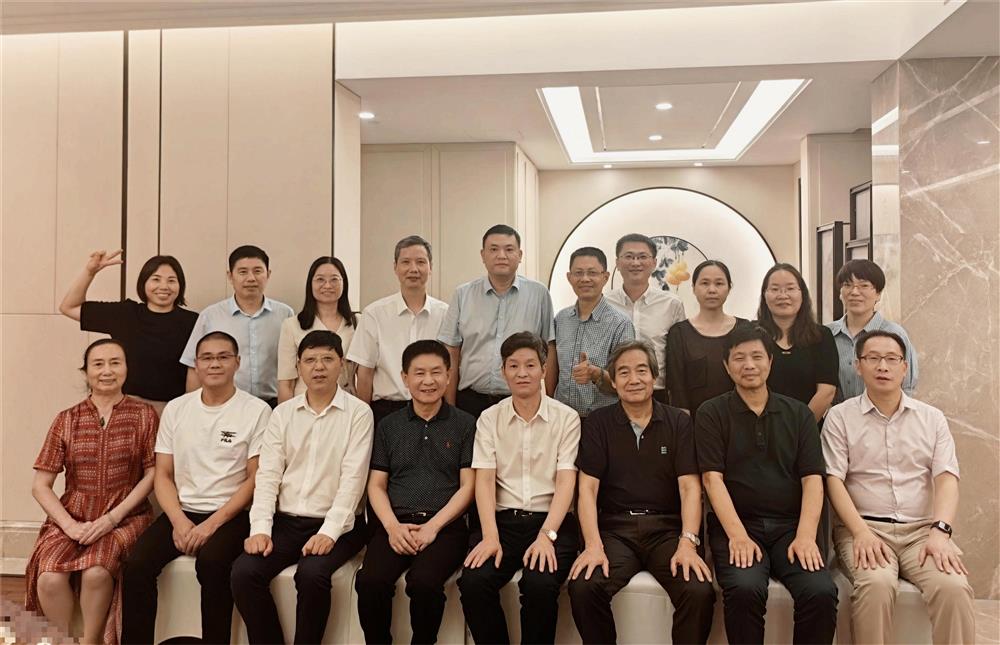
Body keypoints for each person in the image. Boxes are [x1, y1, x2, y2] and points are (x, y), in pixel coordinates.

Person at [823, 330, 974, 644]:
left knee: (954, 587)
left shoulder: (932, 418)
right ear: (857, 366)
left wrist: (940, 531)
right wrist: (860, 532)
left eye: (892, 359)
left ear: (905, 368)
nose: (883, 366)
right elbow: (833, 480)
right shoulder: (839, 417)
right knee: (875, 585)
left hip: (921, 532)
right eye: (873, 358)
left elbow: (947, 478)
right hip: (864, 529)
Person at [122, 332, 270, 645]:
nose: (215, 364)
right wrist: (179, 521)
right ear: (196, 364)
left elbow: (254, 479)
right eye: (207, 358)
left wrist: (210, 526)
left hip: (231, 515)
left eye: (223, 357)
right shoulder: (177, 408)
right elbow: (163, 474)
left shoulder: (256, 410)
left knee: (213, 563)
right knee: (136, 566)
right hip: (183, 511)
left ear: (237, 363)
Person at [697, 325, 838, 644]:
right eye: (739, 358)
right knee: (744, 589)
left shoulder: (799, 414)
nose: (749, 365)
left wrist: (806, 536)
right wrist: (738, 536)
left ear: (770, 362)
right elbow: (711, 480)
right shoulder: (711, 413)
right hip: (738, 526)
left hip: (791, 527)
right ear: (726, 366)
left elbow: (813, 480)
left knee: (820, 592)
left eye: (757, 357)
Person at [568, 341, 715, 644]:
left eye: (641, 371)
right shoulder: (598, 423)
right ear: (612, 381)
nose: (633, 379)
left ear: (654, 377)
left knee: (698, 590)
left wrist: (688, 542)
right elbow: (587, 489)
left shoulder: (679, 421)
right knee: (584, 586)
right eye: (623, 372)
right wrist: (592, 544)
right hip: (616, 531)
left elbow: (690, 488)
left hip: (667, 531)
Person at [232, 330, 373, 644]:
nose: (318, 367)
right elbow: (268, 476)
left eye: (327, 359)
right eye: (310, 360)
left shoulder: (359, 414)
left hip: (340, 526)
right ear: (298, 367)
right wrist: (260, 529)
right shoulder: (283, 413)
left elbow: (353, 480)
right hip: (286, 523)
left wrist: (329, 532)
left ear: (342, 365)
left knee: (311, 575)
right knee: (244, 573)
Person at [26, 339, 158, 645]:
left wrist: (111, 519)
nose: (107, 371)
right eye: (98, 364)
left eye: (115, 363)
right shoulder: (67, 419)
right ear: (86, 372)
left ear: (126, 368)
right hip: (72, 515)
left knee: (97, 571)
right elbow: (40, 486)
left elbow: (153, 474)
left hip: (126, 515)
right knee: (49, 576)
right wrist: (70, 525)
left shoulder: (144, 414)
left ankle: (92, 641)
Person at [458, 332, 580, 645]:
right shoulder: (489, 419)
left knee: (540, 585)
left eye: (530, 365)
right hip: (502, 523)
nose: (522, 373)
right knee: (473, 582)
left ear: (543, 369)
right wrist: (489, 536)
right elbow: (484, 480)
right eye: (513, 366)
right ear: (503, 371)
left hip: (552, 523)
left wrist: (547, 536)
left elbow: (566, 481)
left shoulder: (566, 418)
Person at [355, 340, 477, 644]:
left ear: (449, 376)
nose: (428, 381)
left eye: (436, 372)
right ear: (405, 378)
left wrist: (433, 527)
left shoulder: (466, 424)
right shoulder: (388, 426)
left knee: (424, 583)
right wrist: (392, 527)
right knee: (370, 582)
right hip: (395, 524)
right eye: (419, 373)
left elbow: (468, 486)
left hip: (445, 528)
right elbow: (376, 485)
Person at [439, 224, 557, 418]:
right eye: (493, 249)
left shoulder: (539, 294)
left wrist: (550, 401)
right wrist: (450, 407)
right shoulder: (463, 294)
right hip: (470, 401)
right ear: (483, 255)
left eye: (509, 249)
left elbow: (549, 349)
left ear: (520, 255)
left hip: (521, 400)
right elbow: (452, 351)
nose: (501, 256)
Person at [59, 250, 198, 412]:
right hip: (126, 408)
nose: (164, 286)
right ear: (143, 283)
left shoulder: (194, 322)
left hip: (172, 410)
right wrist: (90, 272)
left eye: (171, 280)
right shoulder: (125, 314)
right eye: (156, 279)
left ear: (180, 285)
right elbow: (69, 307)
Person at [347, 236, 449, 427]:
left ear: (430, 267)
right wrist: (363, 421)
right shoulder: (374, 313)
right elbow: (365, 374)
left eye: (420, 262)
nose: (413, 269)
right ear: (395, 267)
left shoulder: (446, 314)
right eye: (406, 262)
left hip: (434, 411)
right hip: (387, 411)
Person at [180, 245, 294, 406]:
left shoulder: (285, 314)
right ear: (230, 276)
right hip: (226, 404)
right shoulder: (211, 316)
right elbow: (194, 367)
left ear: (268, 274)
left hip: (274, 404)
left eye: (257, 271)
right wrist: (194, 408)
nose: (251, 278)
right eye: (243, 272)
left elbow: (294, 366)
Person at [553, 246, 635, 416]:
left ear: (605, 277)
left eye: (592, 273)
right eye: (578, 273)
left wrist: (596, 375)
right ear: (569, 277)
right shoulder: (561, 319)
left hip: (602, 419)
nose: (585, 279)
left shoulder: (620, 324)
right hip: (561, 418)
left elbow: (627, 380)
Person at [666, 260, 751, 420]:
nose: (712, 290)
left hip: (742, 420)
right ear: (693, 288)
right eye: (705, 283)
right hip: (696, 423)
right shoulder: (679, 333)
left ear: (729, 287)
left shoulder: (745, 329)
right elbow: (677, 389)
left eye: (719, 283)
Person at [606, 233, 686, 402]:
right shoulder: (604, 304)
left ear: (654, 263)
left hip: (658, 393)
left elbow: (678, 357)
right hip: (611, 393)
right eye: (629, 256)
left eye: (642, 257)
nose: (636, 263)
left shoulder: (672, 304)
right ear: (617, 263)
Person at [756, 263, 839, 423]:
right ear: (764, 295)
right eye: (775, 289)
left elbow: (826, 391)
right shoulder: (752, 335)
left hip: (808, 427)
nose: (783, 295)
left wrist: (800, 428)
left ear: (803, 294)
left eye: (790, 288)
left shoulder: (821, 336)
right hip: (758, 428)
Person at [825, 259, 918, 400]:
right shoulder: (827, 334)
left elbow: (907, 387)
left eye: (864, 285)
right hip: (837, 414)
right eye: (848, 285)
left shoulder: (894, 334)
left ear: (878, 294)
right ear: (840, 292)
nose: (854, 292)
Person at [278, 256, 358, 403]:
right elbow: (286, 383)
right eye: (320, 279)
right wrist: (286, 414)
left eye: (334, 279)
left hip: (346, 404)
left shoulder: (358, 322)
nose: (327, 285)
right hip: (304, 404)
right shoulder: (292, 325)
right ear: (310, 284)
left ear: (344, 283)